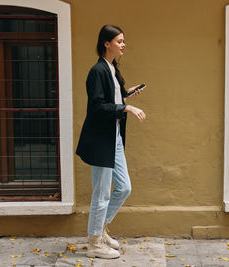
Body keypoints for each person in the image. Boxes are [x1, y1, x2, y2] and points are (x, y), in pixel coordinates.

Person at [76, 24, 146, 259]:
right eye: (119, 41)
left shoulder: (112, 69)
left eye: (124, 41)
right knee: (102, 192)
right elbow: (97, 107)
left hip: (113, 136)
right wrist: (126, 107)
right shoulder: (97, 71)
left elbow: (110, 99)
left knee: (124, 187)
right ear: (106, 43)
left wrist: (126, 94)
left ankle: (101, 229)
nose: (123, 44)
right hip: (100, 139)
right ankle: (95, 243)